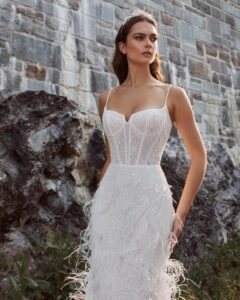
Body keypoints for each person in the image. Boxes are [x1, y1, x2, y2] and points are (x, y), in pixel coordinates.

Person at [65, 9, 208, 300]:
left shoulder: (172, 95)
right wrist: (98, 204)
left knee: (142, 283)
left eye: (153, 39)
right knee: (107, 283)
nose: (148, 44)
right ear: (123, 46)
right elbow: (110, 157)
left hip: (150, 199)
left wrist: (179, 216)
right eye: (139, 38)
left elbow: (199, 158)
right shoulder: (107, 98)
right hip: (111, 202)